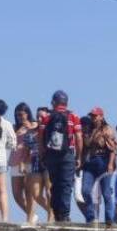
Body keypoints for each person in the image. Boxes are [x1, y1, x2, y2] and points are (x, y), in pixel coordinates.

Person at [38, 90, 82, 223]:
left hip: (51, 155)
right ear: (66, 103)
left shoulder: (46, 118)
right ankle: (65, 215)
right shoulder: (73, 117)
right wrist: (79, 157)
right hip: (68, 154)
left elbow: (40, 139)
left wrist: (42, 155)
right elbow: (79, 138)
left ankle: (57, 214)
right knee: (66, 185)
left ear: (53, 102)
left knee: (55, 184)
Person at [10, 102, 49, 225]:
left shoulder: (35, 125)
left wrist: (30, 127)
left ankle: (30, 218)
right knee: (16, 194)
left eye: (21, 114)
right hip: (15, 161)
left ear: (27, 113)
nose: (19, 117)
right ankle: (32, 214)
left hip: (29, 161)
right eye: (17, 115)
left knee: (29, 192)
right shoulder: (14, 127)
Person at [80, 107, 117, 224]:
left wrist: (111, 164)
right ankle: (91, 217)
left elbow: (113, 149)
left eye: (95, 116)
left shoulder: (107, 130)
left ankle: (109, 218)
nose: (93, 118)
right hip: (90, 161)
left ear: (101, 116)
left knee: (106, 193)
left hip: (103, 160)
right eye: (92, 116)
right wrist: (81, 163)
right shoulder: (88, 130)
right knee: (85, 191)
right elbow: (84, 149)